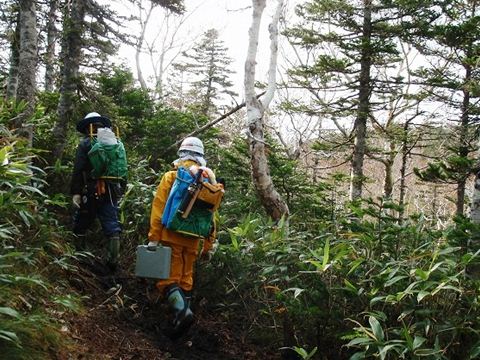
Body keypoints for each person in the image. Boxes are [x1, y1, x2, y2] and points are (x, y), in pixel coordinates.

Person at [147, 136, 218, 335]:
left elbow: (159, 207)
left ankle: (182, 314)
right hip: (194, 239)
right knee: (186, 279)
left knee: (169, 279)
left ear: (182, 153)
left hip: (171, 235)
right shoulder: (208, 181)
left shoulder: (172, 176)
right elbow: (211, 218)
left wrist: (154, 236)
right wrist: (208, 245)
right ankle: (180, 322)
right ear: (200, 156)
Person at [71, 112, 125, 270]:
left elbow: (79, 169)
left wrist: (76, 192)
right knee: (111, 224)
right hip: (111, 190)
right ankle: (113, 262)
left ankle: (80, 259)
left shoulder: (86, 143)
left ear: (88, 126)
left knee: (82, 223)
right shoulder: (115, 143)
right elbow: (122, 169)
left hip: (90, 189)